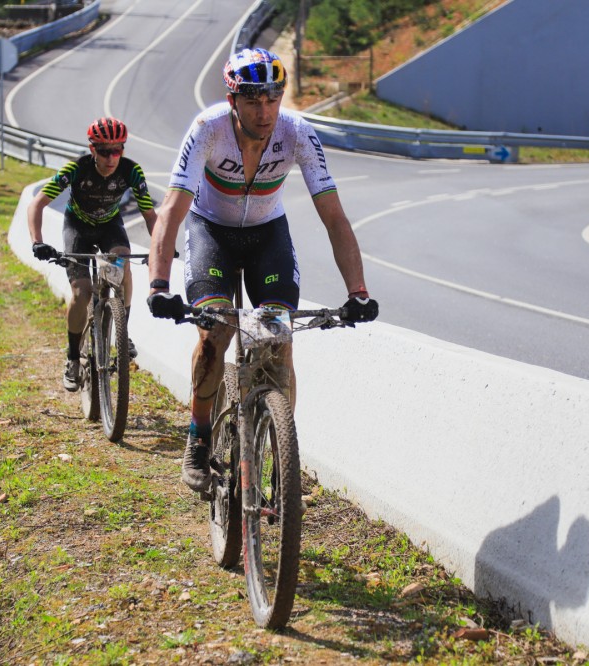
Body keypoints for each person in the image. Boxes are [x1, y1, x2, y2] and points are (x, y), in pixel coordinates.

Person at [145, 48, 379, 493]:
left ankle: (278, 454)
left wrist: (359, 292)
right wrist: (158, 284)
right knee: (214, 333)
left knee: (278, 335)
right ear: (233, 101)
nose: (265, 110)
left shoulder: (297, 133)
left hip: (267, 234)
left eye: (273, 99)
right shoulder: (207, 129)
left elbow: (334, 218)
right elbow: (172, 212)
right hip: (211, 231)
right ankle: (197, 438)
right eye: (253, 100)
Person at [28, 116, 157, 392]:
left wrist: (162, 248)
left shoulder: (131, 171)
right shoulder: (77, 169)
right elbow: (37, 203)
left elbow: (150, 216)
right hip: (78, 228)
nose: (111, 157)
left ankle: (123, 334)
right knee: (82, 292)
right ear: (92, 149)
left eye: (117, 150)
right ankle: (73, 358)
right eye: (104, 151)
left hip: (110, 226)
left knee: (123, 266)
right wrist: (37, 241)